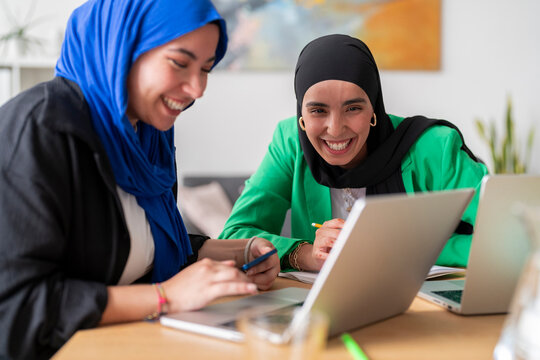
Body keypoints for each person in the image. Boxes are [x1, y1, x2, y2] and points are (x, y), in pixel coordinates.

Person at [0, 0, 279, 358]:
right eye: (180, 63)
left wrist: (231, 252)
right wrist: (166, 296)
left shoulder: (149, 136)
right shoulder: (39, 131)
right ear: (122, 45)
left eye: (206, 69)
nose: (197, 89)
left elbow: (135, 244)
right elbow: (17, 310)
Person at [219, 34, 488, 272]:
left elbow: (509, 237)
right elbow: (234, 236)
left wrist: (406, 248)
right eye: (318, 110)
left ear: (373, 108)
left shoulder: (433, 146)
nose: (335, 130)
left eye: (353, 108)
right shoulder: (291, 141)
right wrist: (306, 254)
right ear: (301, 114)